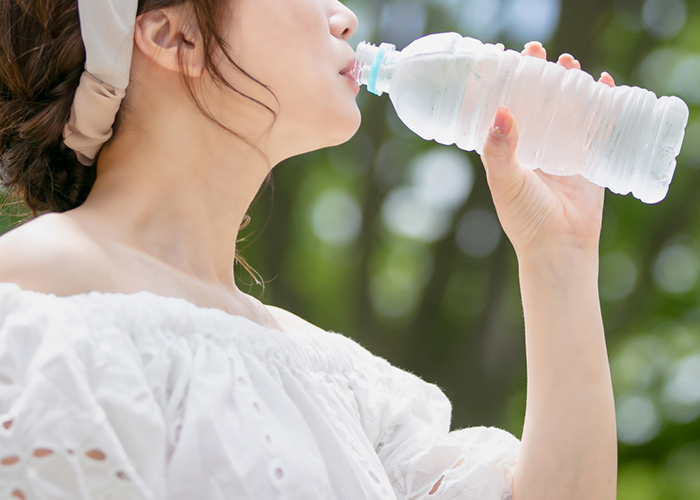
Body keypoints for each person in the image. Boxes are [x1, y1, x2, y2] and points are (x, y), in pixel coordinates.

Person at [0, 0, 617, 498]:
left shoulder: (338, 380)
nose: (344, 18)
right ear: (174, 36)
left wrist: (559, 254)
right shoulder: (39, 295)